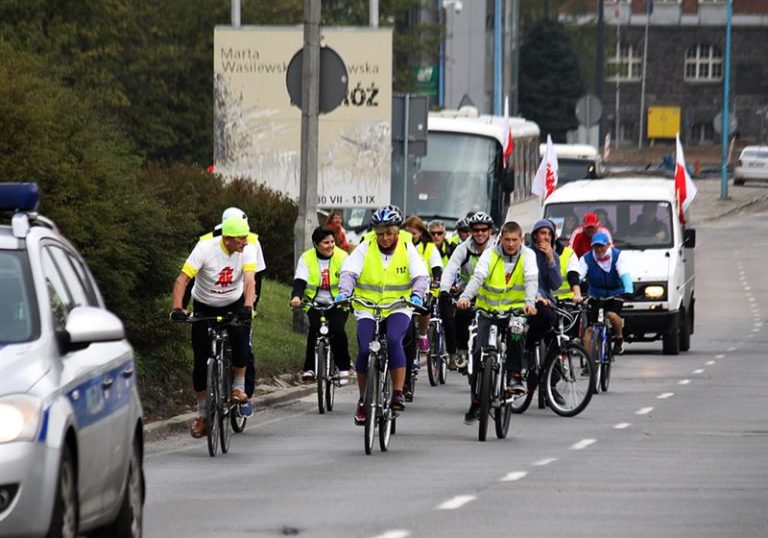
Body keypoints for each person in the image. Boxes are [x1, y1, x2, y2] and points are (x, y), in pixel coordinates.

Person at [335, 205, 429, 425]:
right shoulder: (365, 245)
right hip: (368, 306)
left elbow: (420, 274)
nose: (384, 238)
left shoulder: (407, 245)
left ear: (397, 231)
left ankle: (397, 392)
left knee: (395, 339)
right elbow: (350, 271)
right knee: (365, 348)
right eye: (380, 233)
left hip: (399, 306)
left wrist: (416, 295)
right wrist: (344, 293)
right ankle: (363, 399)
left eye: (389, 233)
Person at [171, 215, 260, 439]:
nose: (245, 242)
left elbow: (250, 280)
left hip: (233, 302)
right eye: (241, 238)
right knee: (200, 361)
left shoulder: (247, 251)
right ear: (228, 239)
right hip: (204, 305)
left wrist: (248, 306)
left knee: (240, 335)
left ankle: (238, 387)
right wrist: (177, 308)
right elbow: (182, 279)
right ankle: (202, 415)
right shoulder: (205, 248)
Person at [186, 207, 266, 418]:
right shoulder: (205, 242)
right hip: (207, 301)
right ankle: (205, 408)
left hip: (238, 299)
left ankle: (244, 394)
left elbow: (256, 277)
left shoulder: (252, 241)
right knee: (203, 354)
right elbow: (191, 279)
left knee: (244, 348)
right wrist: (183, 307)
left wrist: (251, 307)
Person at [456, 221, 539, 424]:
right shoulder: (490, 254)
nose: (510, 244)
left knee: (516, 333)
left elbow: (531, 280)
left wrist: (530, 302)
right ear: (500, 238)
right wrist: (465, 297)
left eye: (514, 240)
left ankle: (515, 376)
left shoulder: (528, 255)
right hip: (488, 310)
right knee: (478, 353)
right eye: (507, 239)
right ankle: (477, 400)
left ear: (521, 240)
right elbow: (478, 277)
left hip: (516, 310)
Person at [290, 227, 351, 385]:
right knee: (314, 329)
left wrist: (345, 297)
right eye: (326, 243)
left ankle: (343, 366)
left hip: (338, 302)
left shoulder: (342, 256)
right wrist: (296, 297)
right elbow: (300, 281)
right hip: (314, 302)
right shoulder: (307, 258)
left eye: (332, 242)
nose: (330, 245)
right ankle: (309, 368)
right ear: (316, 244)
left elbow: (348, 278)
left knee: (337, 329)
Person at [439, 211, 496, 371]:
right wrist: (444, 289)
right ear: (471, 231)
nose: (480, 233)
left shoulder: (497, 248)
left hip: (492, 293)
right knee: (460, 315)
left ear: (490, 231)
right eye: (476, 230)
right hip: (467, 291)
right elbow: (450, 269)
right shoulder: (463, 248)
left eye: (484, 230)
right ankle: (462, 350)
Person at [572, 232, 633, 355]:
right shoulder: (586, 258)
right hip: (596, 293)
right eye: (596, 246)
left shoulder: (617, 256)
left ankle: (619, 338)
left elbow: (624, 273)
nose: (599, 249)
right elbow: (578, 275)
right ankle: (589, 361)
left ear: (608, 245)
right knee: (589, 329)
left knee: (612, 315)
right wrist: (576, 291)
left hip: (615, 292)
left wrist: (628, 290)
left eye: (602, 246)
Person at [403, 216, 443, 354]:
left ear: (421, 233)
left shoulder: (429, 247)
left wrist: (436, 282)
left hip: (424, 286)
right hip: (404, 286)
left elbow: (437, 267)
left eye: (413, 234)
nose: (411, 237)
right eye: (407, 234)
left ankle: (423, 335)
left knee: (425, 308)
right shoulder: (400, 246)